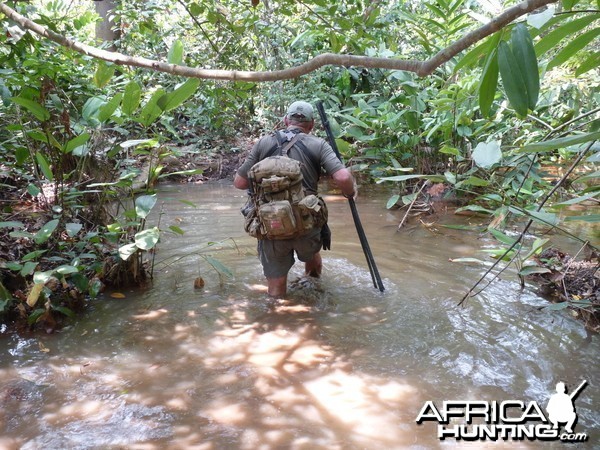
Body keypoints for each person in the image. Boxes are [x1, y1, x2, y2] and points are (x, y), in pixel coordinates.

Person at [234, 101, 356, 297]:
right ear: (311, 125)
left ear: (285, 121)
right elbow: (342, 177)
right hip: (306, 222)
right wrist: (349, 192)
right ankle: (313, 292)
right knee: (313, 258)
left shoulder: (264, 143)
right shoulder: (318, 144)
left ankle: (278, 318)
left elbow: (239, 183)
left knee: (275, 288)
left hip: (270, 224)